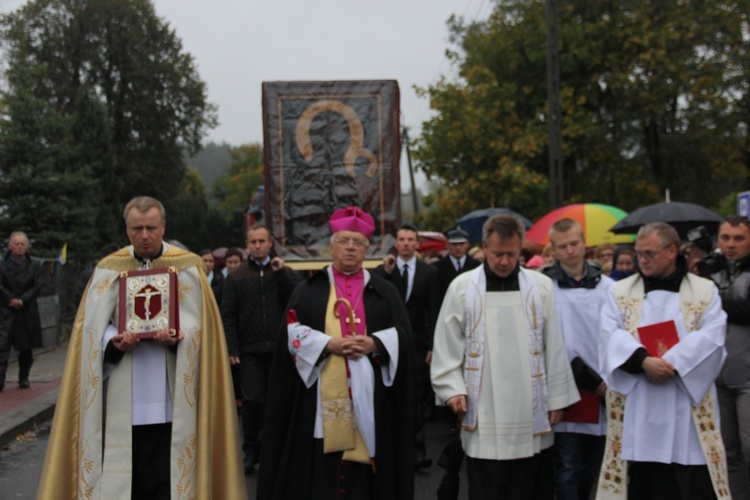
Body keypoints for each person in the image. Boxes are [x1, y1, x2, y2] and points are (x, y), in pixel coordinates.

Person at [37, 196, 246, 499]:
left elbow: (203, 329)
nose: (144, 235)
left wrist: (178, 337)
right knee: (128, 482)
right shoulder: (108, 270)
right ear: (127, 230)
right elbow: (93, 328)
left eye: (150, 227)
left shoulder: (188, 268)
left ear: (163, 227)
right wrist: (114, 341)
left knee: (168, 478)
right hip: (123, 395)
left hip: (172, 395)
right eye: (137, 229)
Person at [257, 206, 416, 500]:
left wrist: (375, 344)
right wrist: (327, 344)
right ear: (331, 246)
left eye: (357, 242)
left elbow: (405, 337)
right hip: (319, 396)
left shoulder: (384, 291)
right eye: (344, 241)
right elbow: (289, 335)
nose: (351, 248)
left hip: (370, 396)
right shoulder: (308, 290)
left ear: (367, 248)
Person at [431, 214, 579, 499]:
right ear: (485, 247)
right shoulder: (462, 288)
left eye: (512, 254)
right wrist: (451, 389)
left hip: (530, 406)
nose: (504, 261)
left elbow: (554, 344)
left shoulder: (540, 287)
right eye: (498, 253)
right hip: (481, 404)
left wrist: (558, 398)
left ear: (521, 249)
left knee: (529, 487)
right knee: (487, 488)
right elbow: (447, 343)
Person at [597, 222, 729, 500]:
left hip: (685, 403)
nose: (642, 260)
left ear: (671, 251)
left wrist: (672, 363)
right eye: (638, 254)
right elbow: (609, 335)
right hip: (638, 404)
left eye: (649, 254)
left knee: (690, 482)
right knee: (645, 484)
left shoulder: (705, 291)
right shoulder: (620, 292)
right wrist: (643, 361)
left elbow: (714, 337)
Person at [543, 219, 614, 500]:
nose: (570, 251)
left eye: (574, 243)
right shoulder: (545, 287)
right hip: (561, 386)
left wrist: (610, 375)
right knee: (566, 465)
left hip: (597, 386)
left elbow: (618, 335)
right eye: (563, 246)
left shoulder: (608, 288)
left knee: (591, 464)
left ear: (585, 243)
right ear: (554, 250)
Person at [221, 224, 298, 475]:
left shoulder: (281, 272)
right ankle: (251, 451)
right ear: (247, 245)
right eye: (253, 241)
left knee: (277, 400)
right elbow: (228, 315)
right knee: (253, 400)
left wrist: (281, 273)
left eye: (262, 241)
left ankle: (275, 451)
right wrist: (232, 347)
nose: (257, 245)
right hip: (250, 349)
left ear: (269, 243)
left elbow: (294, 301)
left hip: (279, 347)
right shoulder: (236, 276)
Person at [374, 224, 441, 469]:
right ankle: (389, 450)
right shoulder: (384, 270)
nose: (405, 243)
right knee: (388, 394)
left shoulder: (428, 273)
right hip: (387, 342)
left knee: (416, 397)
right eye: (401, 239)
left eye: (410, 239)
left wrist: (433, 345)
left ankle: (416, 451)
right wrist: (386, 271)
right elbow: (375, 298)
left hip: (417, 343)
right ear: (396, 243)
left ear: (416, 243)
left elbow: (433, 310)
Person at [711, 216, 750, 499]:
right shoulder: (713, 271)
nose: (731, 245)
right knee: (727, 452)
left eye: (739, 238)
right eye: (725, 238)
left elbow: (746, 310)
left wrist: (713, 296)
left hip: (748, 378)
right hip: (718, 377)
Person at [0, 232, 42, 392]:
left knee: (26, 348)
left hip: (26, 310)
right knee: (2, 347)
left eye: (22, 244)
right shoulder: (2, 264)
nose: (19, 247)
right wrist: (10, 299)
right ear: (10, 246)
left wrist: (22, 300)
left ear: (27, 246)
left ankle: (23, 377)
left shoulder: (34, 265)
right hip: (5, 310)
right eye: (16, 244)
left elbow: (37, 285)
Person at [433, 227, 481, 302]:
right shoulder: (436, 268)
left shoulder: (477, 266)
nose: (458, 247)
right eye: (454, 244)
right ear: (447, 245)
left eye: (462, 244)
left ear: (468, 244)